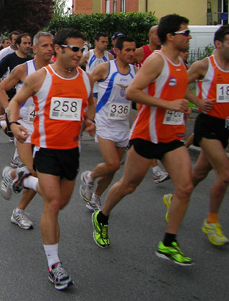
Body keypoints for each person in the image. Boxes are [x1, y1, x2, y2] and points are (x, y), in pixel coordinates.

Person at [91, 14, 195, 266]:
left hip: (172, 136)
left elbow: (176, 89)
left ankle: (168, 242)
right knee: (128, 184)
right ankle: (102, 217)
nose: (189, 37)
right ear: (171, 36)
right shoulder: (155, 61)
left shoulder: (181, 62)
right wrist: (169, 103)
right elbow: (133, 91)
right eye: (186, 32)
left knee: (185, 187)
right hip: (146, 134)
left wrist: (191, 103)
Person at [5, 28, 94, 290]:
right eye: (75, 49)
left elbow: (86, 105)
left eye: (82, 48)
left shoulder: (86, 79)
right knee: (53, 204)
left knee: (61, 202)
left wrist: (88, 120)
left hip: (71, 151)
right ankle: (54, 265)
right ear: (59, 49)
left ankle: (22, 177)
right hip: (45, 148)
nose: (80, 53)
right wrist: (13, 123)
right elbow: (15, 102)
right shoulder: (41, 77)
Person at [172, 25, 229, 245]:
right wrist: (197, 102)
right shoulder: (203, 65)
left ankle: (175, 198)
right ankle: (211, 222)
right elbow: (179, 85)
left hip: (226, 124)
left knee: (199, 174)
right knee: (224, 175)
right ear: (218, 43)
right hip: (207, 125)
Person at [0, 31, 55, 230]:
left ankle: (17, 200)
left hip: (46, 129)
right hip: (25, 127)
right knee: (34, 171)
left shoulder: (55, 71)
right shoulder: (24, 69)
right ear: (35, 49)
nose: (50, 49)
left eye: (52, 45)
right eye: (45, 46)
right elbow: (0, 89)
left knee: (39, 174)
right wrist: (10, 116)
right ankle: (17, 174)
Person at [79, 35, 136, 212]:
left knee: (113, 168)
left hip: (123, 125)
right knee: (112, 164)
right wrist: (88, 111)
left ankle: (95, 197)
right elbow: (85, 83)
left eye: (134, 50)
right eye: (127, 50)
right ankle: (90, 175)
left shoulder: (135, 71)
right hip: (104, 122)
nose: (131, 53)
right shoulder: (105, 68)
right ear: (117, 51)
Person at [134, 24, 170, 184]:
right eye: (155, 33)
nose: (158, 36)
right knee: (147, 131)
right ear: (150, 35)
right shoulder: (142, 52)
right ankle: (155, 169)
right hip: (144, 97)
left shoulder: (165, 54)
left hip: (161, 99)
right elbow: (125, 61)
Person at [79, 32, 114, 96]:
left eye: (107, 42)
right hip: (91, 89)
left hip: (104, 91)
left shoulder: (109, 56)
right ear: (96, 42)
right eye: (103, 42)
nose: (105, 44)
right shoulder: (88, 55)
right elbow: (76, 65)